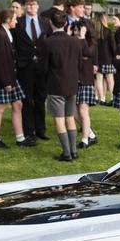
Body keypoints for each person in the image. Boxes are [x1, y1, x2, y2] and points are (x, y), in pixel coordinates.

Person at [39, 10, 83, 161]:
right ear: (65, 23)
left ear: (51, 23)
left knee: (59, 119)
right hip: (72, 83)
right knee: (70, 117)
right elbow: (79, 63)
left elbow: (43, 67)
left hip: (55, 84)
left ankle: (66, 153)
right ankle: (74, 151)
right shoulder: (76, 41)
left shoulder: (47, 42)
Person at [0, 8, 27, 148]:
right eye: (14, 19)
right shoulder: (0, 35)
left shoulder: (6, 33)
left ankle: (20, 138)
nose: (16, 21)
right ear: (8, 20)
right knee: (0, 108)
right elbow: (1, 61)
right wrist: (6, 82)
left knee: (18, 104)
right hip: (4, 79)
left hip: (11, 77)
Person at [13, 0, 50, 145]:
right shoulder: (18, 23)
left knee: (40, 99)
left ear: (38, 6)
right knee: (26, 100)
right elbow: (14, 44)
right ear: (23, 7)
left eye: (33, 5)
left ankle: (41, 130)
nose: (31, 7)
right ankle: (28, 132)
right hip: (25, 66)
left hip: (42, 66)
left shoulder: (46, 23)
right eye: (28, 5)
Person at [72, 21, 98, 149]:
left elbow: (88, 53)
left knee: (83, 110)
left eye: (79, 30)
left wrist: (82, 37)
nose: (76, 33)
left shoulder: (91, 43)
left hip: (85, 80)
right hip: (72, 80)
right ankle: (91, 134)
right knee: (72, 111)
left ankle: (85, 139)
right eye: (75, 30)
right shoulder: (72, 40)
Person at [94, 13, 117, 104]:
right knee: (110, 79)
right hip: (108, 58)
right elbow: (113, 47)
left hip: (97, 58)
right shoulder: (108, 31)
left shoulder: (94, 32)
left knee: (99, 79)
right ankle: (112, 97)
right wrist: (116, 56)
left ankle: (102, 98)